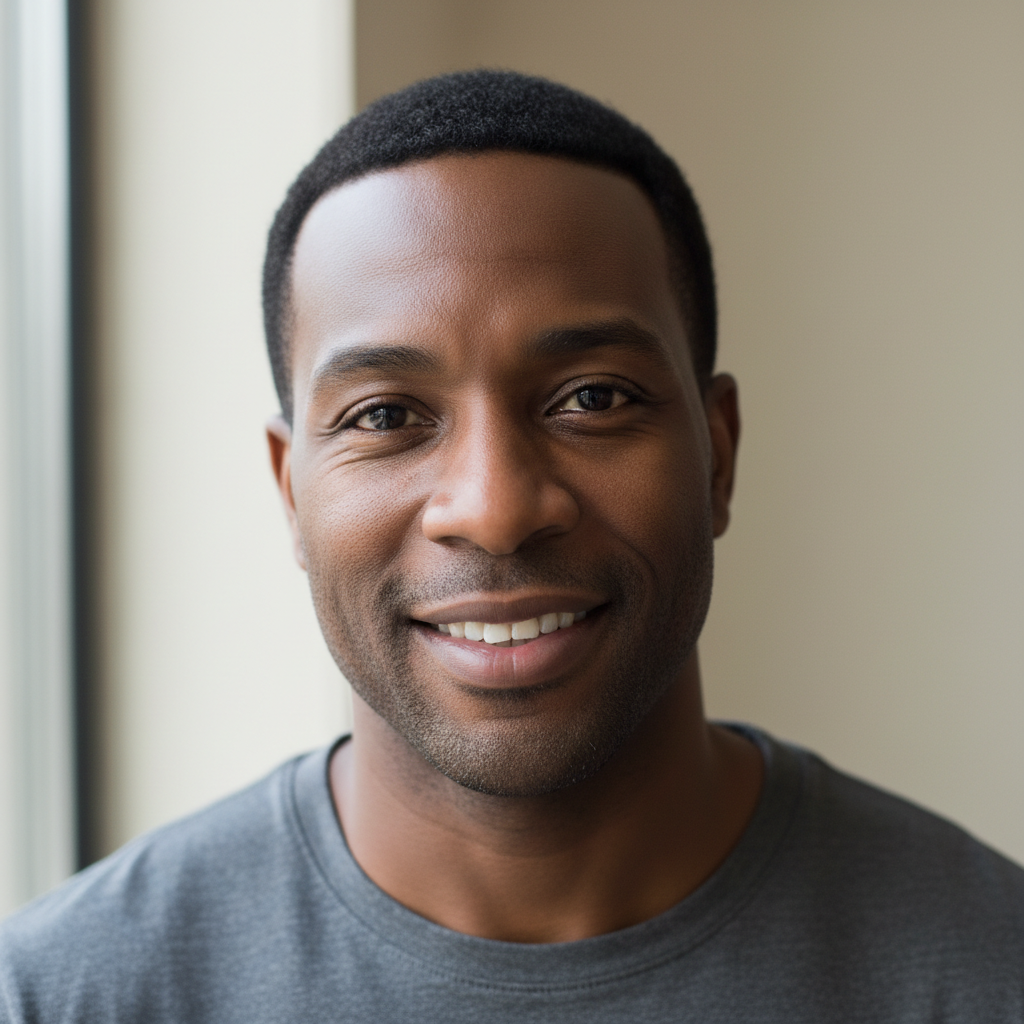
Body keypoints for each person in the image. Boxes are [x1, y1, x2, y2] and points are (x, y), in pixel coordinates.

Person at [1, 69, 1022, 1023]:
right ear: (292, 493)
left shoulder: (990, 966)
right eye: (384, 415)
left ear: (716, 455)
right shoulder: (62, 995)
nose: (494, 509)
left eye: (593, 398)